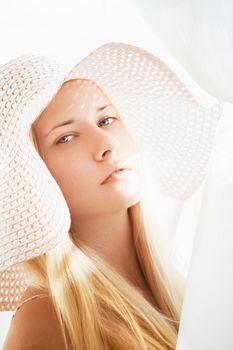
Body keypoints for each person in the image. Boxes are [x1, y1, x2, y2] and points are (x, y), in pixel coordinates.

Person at [0, 42, 222, 349]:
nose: (106, 143)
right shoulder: (47, 315)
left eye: (106, 120)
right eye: (66, 137)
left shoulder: (189, 283)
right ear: (33, 173)